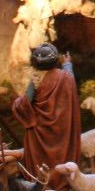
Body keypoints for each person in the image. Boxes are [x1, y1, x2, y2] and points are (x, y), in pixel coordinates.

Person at [11, 43, 80, 180]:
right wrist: (67, 64)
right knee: (62, 153)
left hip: (40, 130)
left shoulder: (36, 79)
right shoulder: (66, 77)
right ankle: (61, 179)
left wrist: (16, 103)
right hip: (62, 127)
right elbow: (70, 79)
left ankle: (42, 181)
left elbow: (25, 103)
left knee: (41, 158)